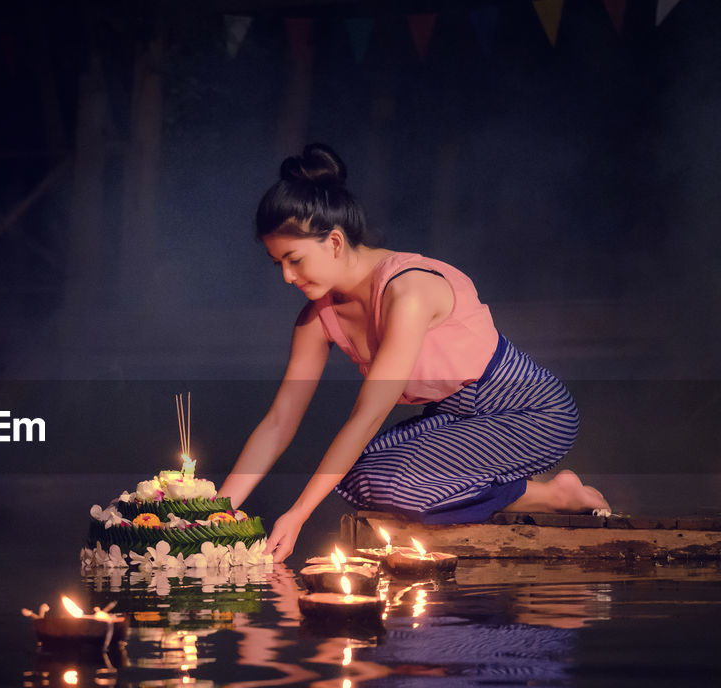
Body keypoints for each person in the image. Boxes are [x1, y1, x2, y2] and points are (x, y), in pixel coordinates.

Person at [217, 143, 608, 563]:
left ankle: (553, 495)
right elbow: (279, 422)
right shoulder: (317, 317)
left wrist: (296, 516)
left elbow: (368, 415)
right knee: (357, 478)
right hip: (452, 418)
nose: (288, 277)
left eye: (294, 260)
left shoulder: (408, 291)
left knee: (405, 483)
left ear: (333, 241)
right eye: (279, 265)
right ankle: (516, 489)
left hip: (529, 410)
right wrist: (215, 513)